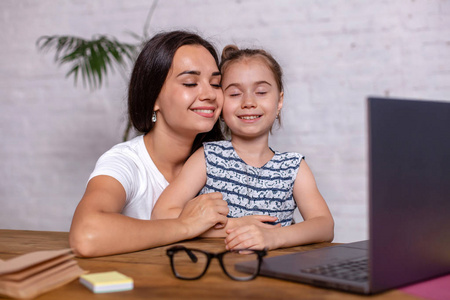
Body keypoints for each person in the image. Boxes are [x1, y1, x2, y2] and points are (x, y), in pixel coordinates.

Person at [152, 45, 334, 251]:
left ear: (279, 101)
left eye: (261, 92)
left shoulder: (293, 167)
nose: (248, 102)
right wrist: (233, 226)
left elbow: (324, 225)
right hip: (213, 272)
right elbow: (162, 213)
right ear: (220, 105)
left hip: (274, 273)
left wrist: (274, 237)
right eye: (235, 93)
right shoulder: (208, 157)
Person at [69, 30, 232, 257]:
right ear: (153, 96)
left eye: (215, 84)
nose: (210, 94)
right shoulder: (125, 162)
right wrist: (186, 225)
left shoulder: (225, 160)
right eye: (190, 83)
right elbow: (86, 235)